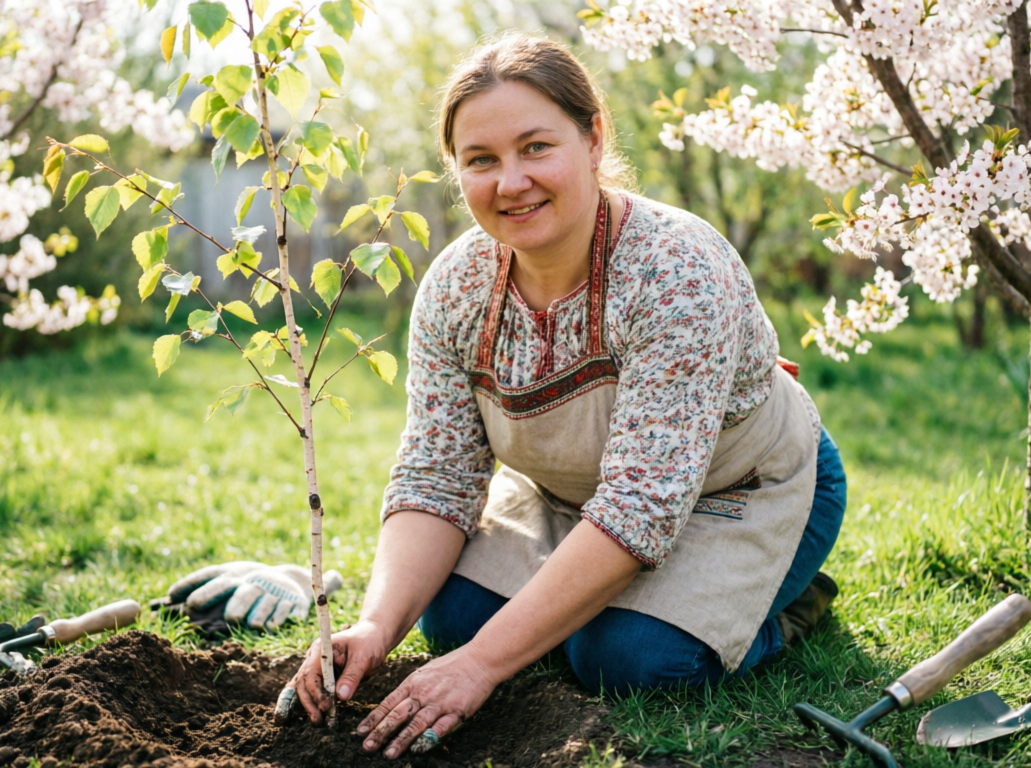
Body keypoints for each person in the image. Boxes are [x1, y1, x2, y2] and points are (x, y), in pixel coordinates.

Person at [266, 31, 848, 759]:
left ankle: (788, 606)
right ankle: (571, 612)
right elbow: (437, 475)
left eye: (536, 147)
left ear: (594, 136)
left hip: (740, 488)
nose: (511, 182)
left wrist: (481, 669)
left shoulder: (676, 270)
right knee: (449, 618)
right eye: (481, 160)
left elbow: (641, 504)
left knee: (630, 659)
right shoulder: (455, 289)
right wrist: (378, 626)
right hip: (570, 498)